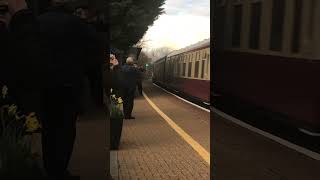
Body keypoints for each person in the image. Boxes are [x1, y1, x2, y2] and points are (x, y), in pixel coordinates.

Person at [35, 0, 104, 178]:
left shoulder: (38, 21)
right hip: (69, 84)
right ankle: (61, 170)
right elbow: (95, 49)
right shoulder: (76, 24)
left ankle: (50, 169)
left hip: (44, 84)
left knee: (49, 128)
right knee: (66, 128)